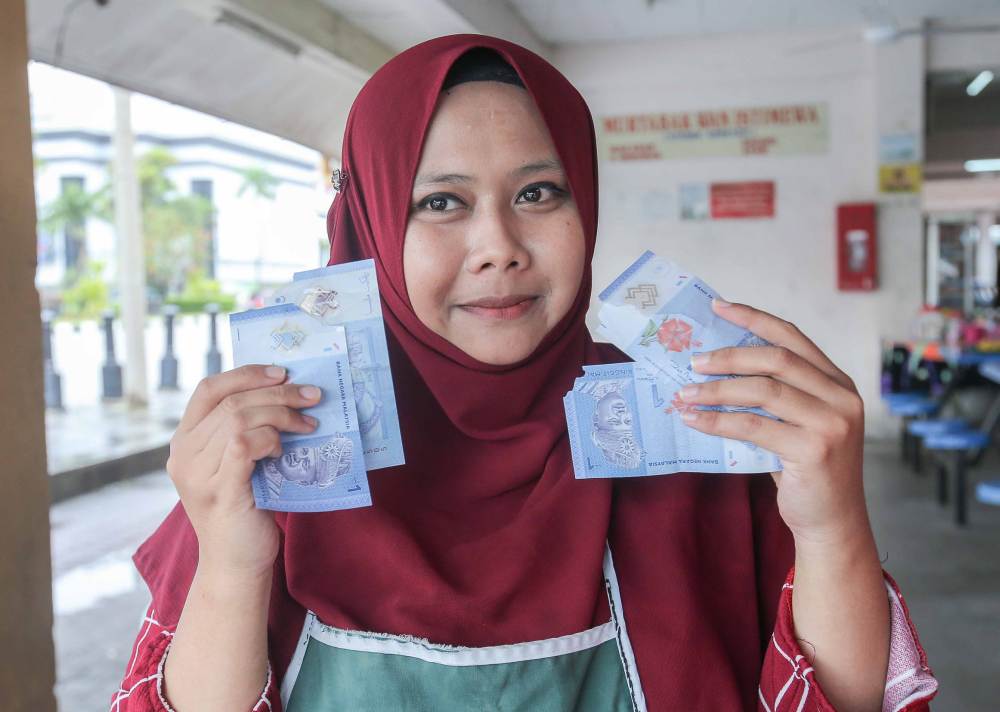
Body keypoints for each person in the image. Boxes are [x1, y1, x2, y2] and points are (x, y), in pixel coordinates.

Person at [110, 35, 937, 711]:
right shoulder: (277, 451)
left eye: (539, 192)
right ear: (368, 221)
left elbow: (845, 699)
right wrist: (230, 563)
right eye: (441, 202)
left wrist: (831, 527)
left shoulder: (697, 425)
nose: (500, 244)